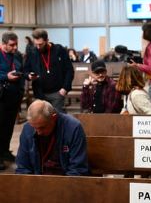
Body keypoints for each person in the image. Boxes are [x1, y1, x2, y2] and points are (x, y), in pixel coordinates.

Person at [16, 99, 89, 175]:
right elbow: (23, 167)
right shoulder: (28, 128)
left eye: (42, 127)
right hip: (38, 180)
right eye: (34, 127)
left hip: (65, 179)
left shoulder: (73, 127)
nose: (38, 132)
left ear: (54, 118)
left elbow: (78, 168)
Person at [24, 29, 74, 112]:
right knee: (43, 121)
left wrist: (65, 88)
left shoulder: (59, 50)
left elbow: (69, 70)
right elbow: (25, 70)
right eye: (36, 44)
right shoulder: (32, 52)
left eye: (40, 44)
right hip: (40, 93)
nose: (38, 47)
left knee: (57, 119)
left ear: (47, 40)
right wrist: (28, 76)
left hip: (57, 93)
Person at [0, 32, 25, 170]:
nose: (15, 47)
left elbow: (21, 70)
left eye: (16, 44)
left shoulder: (17, 55)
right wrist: (6, 77)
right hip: (1, 97)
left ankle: (5, 152)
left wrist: (26, 76)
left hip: (13, 96)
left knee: (9, 127)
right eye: (12, 45)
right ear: (4, 44)